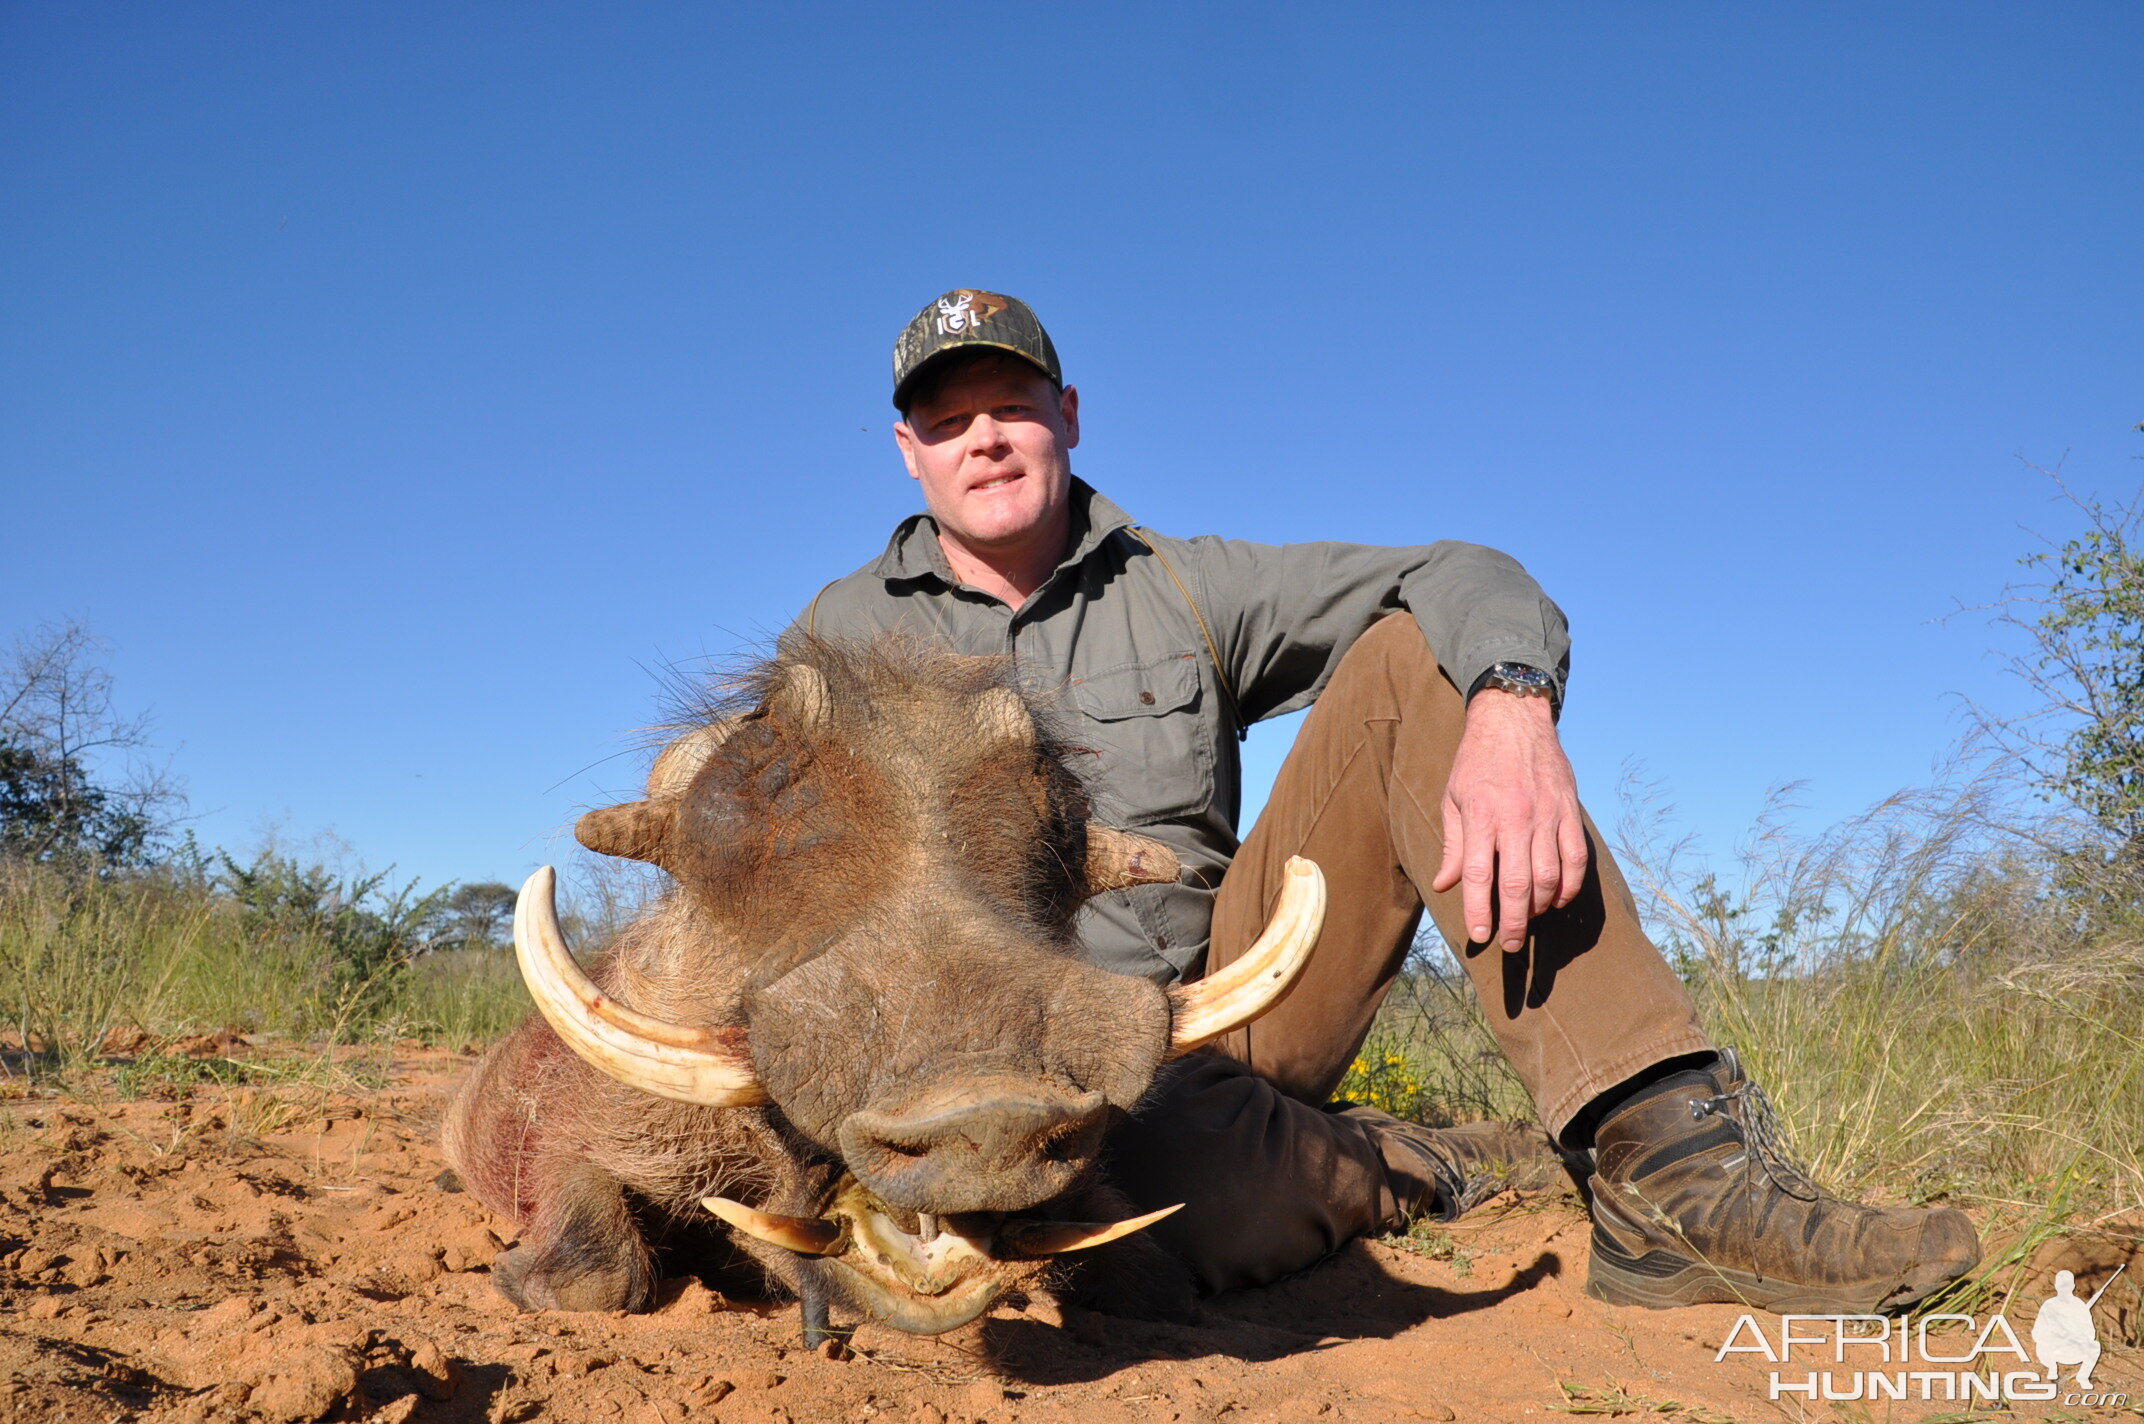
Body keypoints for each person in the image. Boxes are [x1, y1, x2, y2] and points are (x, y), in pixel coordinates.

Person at [788, 287, 1982, 1311]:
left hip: (1211, 1009)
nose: (982, 439)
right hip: (966, 1041)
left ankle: (1665, 1161)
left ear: (1069, 416)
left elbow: (1455, 571)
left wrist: (1511, 705)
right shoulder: (836, 637)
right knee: (1154, 1217)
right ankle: (1422, 1160)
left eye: (1009, 406)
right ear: (908, 449)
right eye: (948, 420)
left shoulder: (1186, 586)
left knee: (1416, 655)